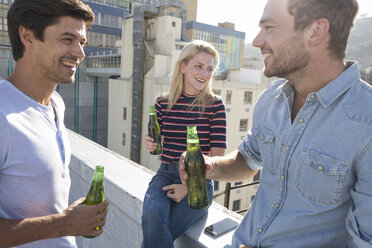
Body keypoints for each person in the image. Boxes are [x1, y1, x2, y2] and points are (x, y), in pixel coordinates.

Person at [179, 0, 372, 247]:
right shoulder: (271, 99)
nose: (258, 41)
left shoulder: (366, 124)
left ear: (315, 31)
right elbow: (247, 161)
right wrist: (210, 166)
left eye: (269, 28)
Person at [0, 0, 109, 247]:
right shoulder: (2, 114)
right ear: (27, 36)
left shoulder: (56, 104)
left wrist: (69, 218)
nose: (80, 54)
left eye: (81, 43)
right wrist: (65, 224)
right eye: (67, 39)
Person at [141, 40, 227, 248]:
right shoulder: (162, 103)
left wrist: (187, 187)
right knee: (152, 212)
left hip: (200, 181)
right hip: (165, 173)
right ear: (183, 66)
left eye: (209, 69)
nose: (205, 74)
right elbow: (158, 142)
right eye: (198, 66)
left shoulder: (215, 106)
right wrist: (151, 144)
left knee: (156, 234)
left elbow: (217, 157)